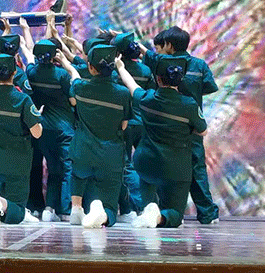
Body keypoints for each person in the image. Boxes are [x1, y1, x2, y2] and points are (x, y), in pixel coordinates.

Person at [116, 55, 208, 228]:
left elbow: (132, 86)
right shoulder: (189, 105)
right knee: (176, 215)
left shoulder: (147, 99)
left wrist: (120, 67)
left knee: (147, 187)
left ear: (158, 79)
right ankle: (159, 217)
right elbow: (203, 130)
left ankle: (149, 209)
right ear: (180, 79)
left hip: (147, 163)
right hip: (177, 167)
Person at [140, 26, 219, 224]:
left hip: (168, 127)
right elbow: (210, 87)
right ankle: (207, 214)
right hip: (192, 125)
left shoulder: (161, 64)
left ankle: (168, 212)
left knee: (165, 169)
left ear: (168, 45)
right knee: (197, 169)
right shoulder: (200, 65)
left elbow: (146, 56)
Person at [57, 45, 131, 228]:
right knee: (110, 204)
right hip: (110, 154)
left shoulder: (80, 88)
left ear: (90, 67)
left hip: (83, 149)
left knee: (78, 174)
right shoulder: (122, 93)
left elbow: (74, 78)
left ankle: (76, 209)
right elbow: (124, 125)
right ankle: (103, 214)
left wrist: (67, 64)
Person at [0, 54, 43, 225]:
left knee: (3, 210)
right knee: (18, 212)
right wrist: (37, 117)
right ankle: (0, 202)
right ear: (15, 72)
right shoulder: (23, 99)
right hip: (17, 161)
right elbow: (37, 133)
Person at [26, 38, 74, 221]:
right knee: (67, 168)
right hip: (64, 128)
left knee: (53, 169)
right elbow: (73, 100)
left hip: (43, 128)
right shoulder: (62, 75)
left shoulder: (31, 72)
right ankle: (66, 210)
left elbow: (29, 54)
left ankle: (49, 208)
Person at [111, 32, 155, 221]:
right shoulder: (146, 70)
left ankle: (138, 207)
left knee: (126, 167)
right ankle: (152, 204)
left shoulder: (114, 73)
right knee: (146, 166)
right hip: (144, 122)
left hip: (124, 123)